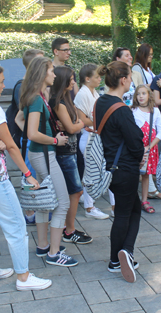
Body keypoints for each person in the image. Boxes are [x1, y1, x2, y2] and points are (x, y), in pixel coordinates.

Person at [0, 64, 52, 290]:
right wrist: (28, 174)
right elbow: (13, 146)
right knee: (16, 227)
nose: (4, 86)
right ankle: (24, 278)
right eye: (1, 81)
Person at [18, 56, 79, 267]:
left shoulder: (34, 96)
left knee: (45, 202)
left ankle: (44, 245)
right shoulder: (36, 99)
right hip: (44, 154)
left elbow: (20, 121)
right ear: (42, 74)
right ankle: (54, 253)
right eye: (52, 71)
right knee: (62, 203)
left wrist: (49, 133)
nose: (54, 74)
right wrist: (55, 139)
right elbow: (32, 133)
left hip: (39, 153)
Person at [95, 61, 144, 283]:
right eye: (131, 77)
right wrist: (139, 154)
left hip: (108, 167)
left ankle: (124, 254)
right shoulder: (122, 109)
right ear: (123, 80)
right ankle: (120, 257)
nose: (132, 81)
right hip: (125, 168)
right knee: (125, 213)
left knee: (132, 208)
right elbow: (136, 141)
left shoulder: (100, 102)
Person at [49, 66, 93, 244]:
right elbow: (72, 127)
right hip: (64, 153)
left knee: (74, 191)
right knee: (74, 191)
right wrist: (79, 123)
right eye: (71, 79)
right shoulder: (58, 102)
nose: (74, 82)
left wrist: (77, 123)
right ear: (63, 81)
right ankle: (69, 231)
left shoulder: (66, 100)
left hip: (71, 151)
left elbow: (77, 123)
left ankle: (68, 228)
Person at [74, 64, 110, 220]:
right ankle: (89, 207)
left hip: (95, 136)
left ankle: (90, 202)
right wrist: (101, 122)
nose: (99, 79)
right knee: (92, 173)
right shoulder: (82, 94)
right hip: (88, 137)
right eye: (96, 77)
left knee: (97, 171)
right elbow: (83, 119)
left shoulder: (93, 92)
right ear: (87, 79)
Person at [12, 49, 44, 226]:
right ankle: (29, 212)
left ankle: (34, 211)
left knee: (35, 177)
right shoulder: (26, 88)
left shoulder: (37, 89)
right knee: (29, 177)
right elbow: (19, 118)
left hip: (35, 141)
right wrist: (32, 134)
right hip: (31, 142)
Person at [131, 85, 161, 214]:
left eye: (143, 93)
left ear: (149, 95)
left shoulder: (155, 111)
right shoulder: (133, 110)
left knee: (146, 174)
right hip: (136, 147)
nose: (141, 96)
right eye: (138, 94)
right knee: (133, 174)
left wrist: (149, 147)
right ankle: (132, 200)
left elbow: (160, 132)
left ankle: (144, 200)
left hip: (150, 148)